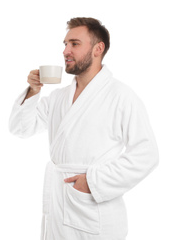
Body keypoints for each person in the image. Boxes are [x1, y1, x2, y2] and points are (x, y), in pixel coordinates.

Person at [9, 17, 159, 240]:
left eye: (75, 44)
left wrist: (93, 181)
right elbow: (21, 128)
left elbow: (147, 155)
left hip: (93, 211)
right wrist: (32, 91)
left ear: (98, 48)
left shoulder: (121, 96)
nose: (65, 51)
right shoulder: (58, 98)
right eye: (65, 44)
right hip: (58, 208)